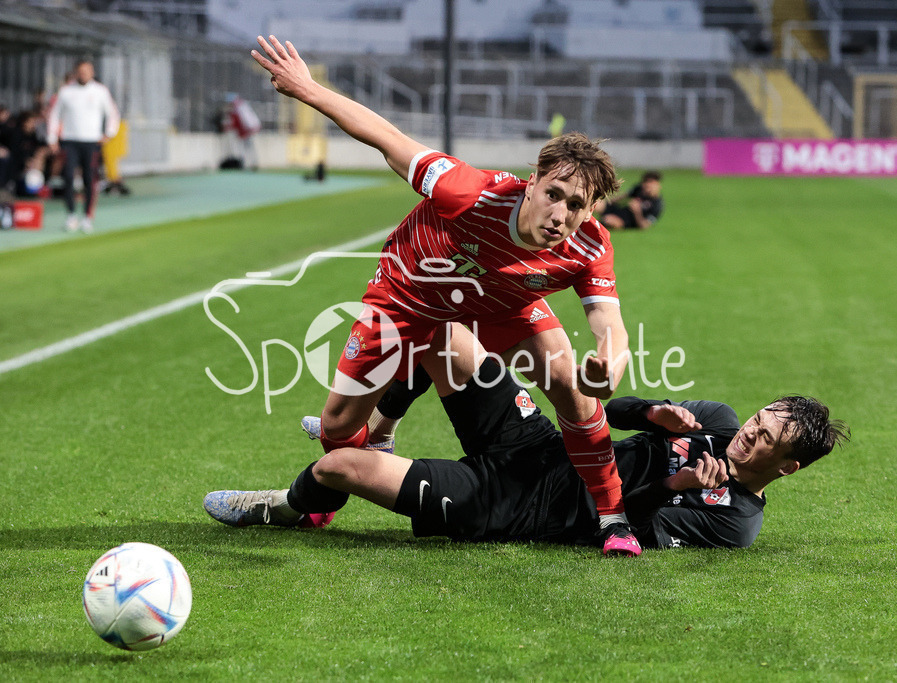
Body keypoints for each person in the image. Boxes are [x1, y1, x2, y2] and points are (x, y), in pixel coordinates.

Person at [250, 36, 638, 555]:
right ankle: (334, 487)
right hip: (410, 296)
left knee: (572, 385)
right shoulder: (468, 191)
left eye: (576, 205)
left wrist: (611, 362)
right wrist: (307, 89)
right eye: (554, 194)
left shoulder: (589, 246)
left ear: (590, 211)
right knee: (338, 427)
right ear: (532, 183)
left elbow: (609, 322)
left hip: (503, 303)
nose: (560, 214)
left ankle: (612, 517)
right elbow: (387, 137)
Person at [204, 324, 849, 550]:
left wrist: (672, 483)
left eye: (767, 439)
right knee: (444, 331)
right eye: (760, 419)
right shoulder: (719, 420)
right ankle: (383, 432)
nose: (749, 434)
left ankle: (290, 507)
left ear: (786, 466)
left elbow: (620, 527)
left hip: (518, 506)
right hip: (539, 442)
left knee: (335, 470)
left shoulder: (735, 522)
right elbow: (604, 409)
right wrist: (653, 412)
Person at [46, 60, 120, 233]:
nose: (83, 74)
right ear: (76, 73)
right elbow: (55, 115)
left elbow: (112, 113)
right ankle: (71, 215)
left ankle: (87, 217)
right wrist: (52, 138)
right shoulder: (66, 91)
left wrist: (109, 133)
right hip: (70, 140)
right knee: (68, 177)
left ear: (92, 72)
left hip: (91, 142)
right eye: (80, 71)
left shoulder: (100, 91)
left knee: (89, 179)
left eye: (87, 71)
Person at [597, 170, 664, 230]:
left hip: (625, 221)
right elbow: (624, 196)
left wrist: (637, 211)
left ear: (658, 185)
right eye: (645, 182)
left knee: (607, 220)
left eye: (651, 182)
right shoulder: (639, 189)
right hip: (619, 210)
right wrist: (608, 201)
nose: (647, 185)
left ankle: (595, 224)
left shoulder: (657, 204)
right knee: (596, 204)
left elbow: (644, 226)